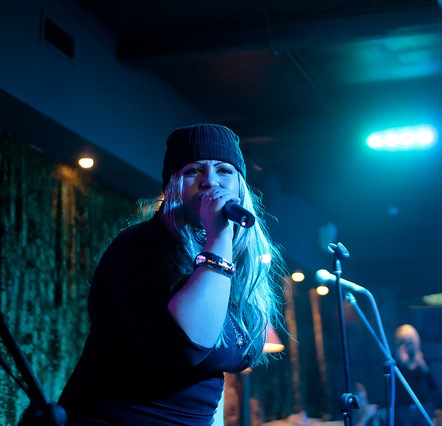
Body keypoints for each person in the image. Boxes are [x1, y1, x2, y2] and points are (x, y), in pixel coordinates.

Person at [56, 123, 285, 424]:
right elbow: (188, 347)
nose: (210, 181)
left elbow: (247, 350)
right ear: (172, 186)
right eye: (194, 171)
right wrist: (219, 239)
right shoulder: (140, 247)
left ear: (239, 187)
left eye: (224, 170)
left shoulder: (235, 259)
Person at [393, 324, 438, 426]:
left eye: (410, 342)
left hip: (423, 407)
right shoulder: (395, 364)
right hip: (404, 409)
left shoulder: (423, 361)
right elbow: (395, 388)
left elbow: (433, 387)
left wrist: (424, 368)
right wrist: (402, 364)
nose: (408, 346)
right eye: (404, 343)